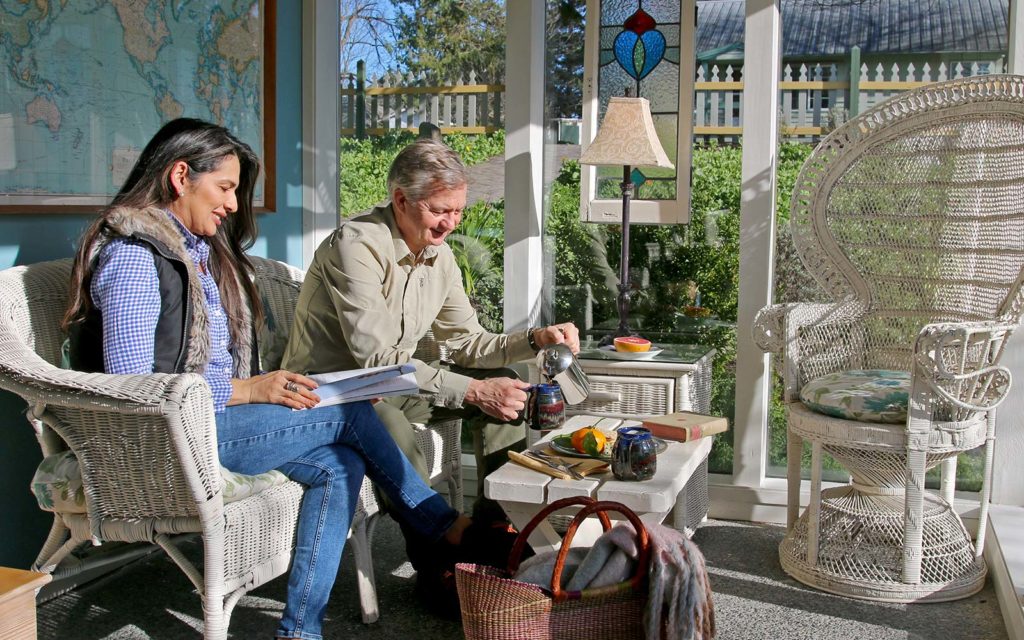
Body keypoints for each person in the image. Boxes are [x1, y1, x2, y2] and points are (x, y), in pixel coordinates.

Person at [62, 118, 474, 639]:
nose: (233, 204)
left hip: (214, 421)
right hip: (167, 438)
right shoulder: (134, 256)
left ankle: (300, 631)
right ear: (181, 176)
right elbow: (134, 386)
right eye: (225, 188)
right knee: (348, 409)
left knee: (341, 464)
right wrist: (248, 389)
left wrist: (255, 389)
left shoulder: (194, 252)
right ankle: (439, 523)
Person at [279, 138, 579, 577]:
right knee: (388, 420)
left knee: (508, 381)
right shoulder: (357, 245)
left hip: (394, 382)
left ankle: (494, 524)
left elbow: (467, 342)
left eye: (458, 211)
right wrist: (474, 391)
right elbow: (377, 360)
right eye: (440, 210)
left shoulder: (439, 256)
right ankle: (436, 553)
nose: (450, 224)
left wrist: (535, 340)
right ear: (401, 200)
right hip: (328, 391)